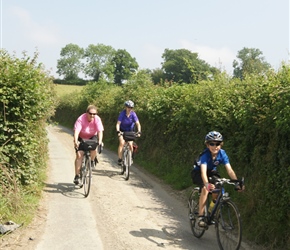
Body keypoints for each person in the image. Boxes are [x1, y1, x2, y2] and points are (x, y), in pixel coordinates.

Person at [191, 131, 244, 227]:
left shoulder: (222, 154)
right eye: (212, 143)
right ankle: (201, 216)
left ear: (221, 145)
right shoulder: (205, 155)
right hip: (198, 172)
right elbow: (203, 172)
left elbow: (229, 170)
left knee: (217, 190)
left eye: (218, 144)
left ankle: (211, 211)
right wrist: (207, 184)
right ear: (207, 145)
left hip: (211, 172)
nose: (215, 146)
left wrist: (236, 182)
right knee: (205, 189)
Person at [73, 104, 104, 185]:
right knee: (79, 155)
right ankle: (77, 176)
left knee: (94, 149)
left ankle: (92, 161)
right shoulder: (81, 119)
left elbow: (100, 131)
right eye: (90, 113)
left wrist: (100, 141)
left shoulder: (97, 119)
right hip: (82, 137)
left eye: (94, 114)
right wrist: (75, 141)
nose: (92, 115)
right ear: (87, 113)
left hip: (92, 136)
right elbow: (76, 131)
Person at [116, 100, 141, 165]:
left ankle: (130, 157)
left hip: (130, 131)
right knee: (122, 143)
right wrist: (118, 131)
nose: (129, 109)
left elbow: (138, 123)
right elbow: (118, 124)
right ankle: (120, 159)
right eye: (128, 107)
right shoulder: (122, 114)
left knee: (130, 145)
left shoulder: (133, 114)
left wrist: (139, 132)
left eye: (131, 107)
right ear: (126, 107)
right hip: (122, 130)